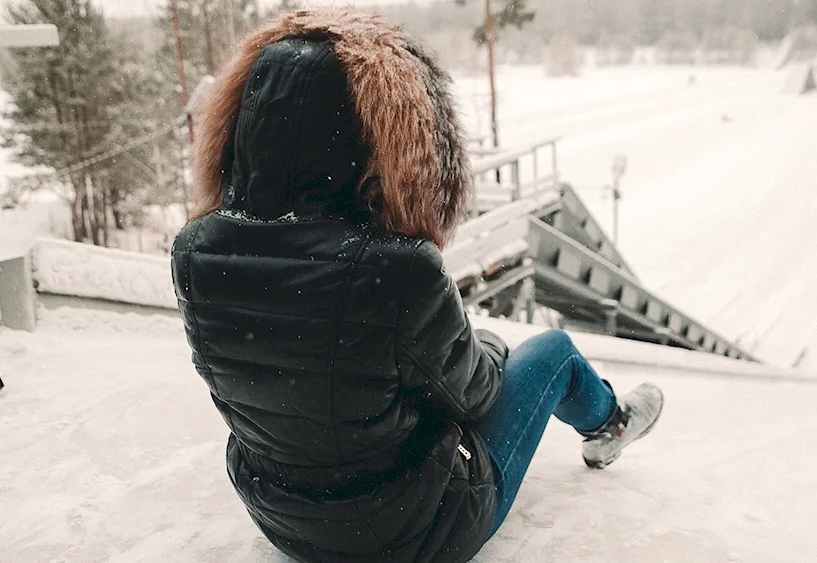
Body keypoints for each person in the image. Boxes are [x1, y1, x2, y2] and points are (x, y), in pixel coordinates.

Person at [171, 9, 664, 563]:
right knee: (553, 352)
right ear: (369, 133)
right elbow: (474, 392)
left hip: (282, 520)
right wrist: (490, 349)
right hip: (410, 531)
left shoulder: (194, 251)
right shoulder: (395, 266)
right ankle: (611, 424)